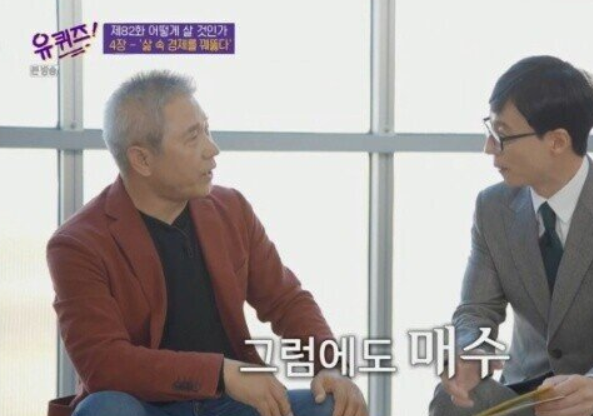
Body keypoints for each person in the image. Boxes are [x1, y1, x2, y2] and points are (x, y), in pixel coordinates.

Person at [46, 70, 367, 416]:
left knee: (333, 406)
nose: (212, 149)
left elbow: (286, 300)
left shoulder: (231, 209)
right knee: (107, 409)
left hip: (232, 406)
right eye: (193, 137)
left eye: (207, 130)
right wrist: (220, 373)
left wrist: (331, 367)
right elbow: (104, 363)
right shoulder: (78, 244)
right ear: (142, 159)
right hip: (143, 404)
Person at [429, 56, 593, 416]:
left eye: (502, 135)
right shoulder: (493, 208)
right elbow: (477, 309)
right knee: (453, 401)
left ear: (557, 141)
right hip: (528, 394)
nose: (489, 147)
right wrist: (469, 353)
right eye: (491, 129)